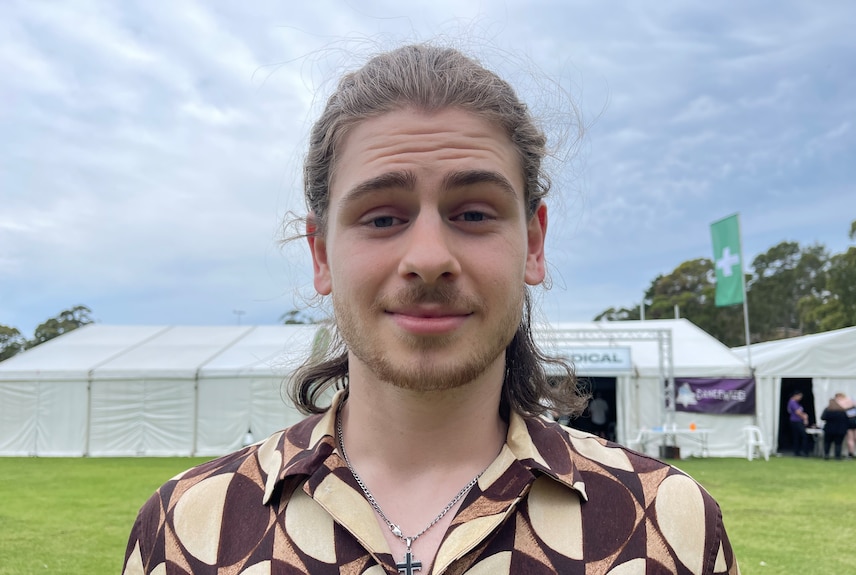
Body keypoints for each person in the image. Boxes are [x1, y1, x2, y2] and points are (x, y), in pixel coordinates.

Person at [122, 44, 738, 574]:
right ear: (321, 257)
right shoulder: (187, 531)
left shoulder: (668, 528)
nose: (428, 257)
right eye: (383, 217)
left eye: (472, 213)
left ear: (532, 244)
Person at [821, 396, 850, 460]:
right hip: (840, 430)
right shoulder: (842, 410)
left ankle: (826, 455)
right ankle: (837, 456)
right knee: (838, 443)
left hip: (829, 429)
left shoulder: (828, 409)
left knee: (827, 443)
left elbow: (822, 418)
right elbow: (847, 419)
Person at [835, 392, 856, 457]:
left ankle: (851, 454)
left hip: (847, 420)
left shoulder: (839, 402)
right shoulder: (852, 399)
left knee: (850, 438)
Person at [787, 390, 810, 457]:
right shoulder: (793, 402)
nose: (800, 398)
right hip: (796, 421)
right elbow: (798, 412)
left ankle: (797, 451)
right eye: (800, 396)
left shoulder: (796, 403)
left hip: (796, 420)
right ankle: (804, 451)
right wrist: (804, 417)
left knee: (797, 436)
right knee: (803, 435)